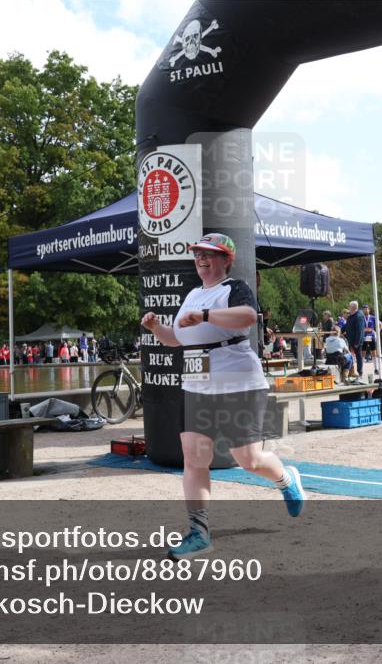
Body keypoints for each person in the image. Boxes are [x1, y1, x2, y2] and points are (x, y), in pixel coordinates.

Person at [140, 232, 304, 560]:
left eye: (209, 254)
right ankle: (198, 533)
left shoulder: (234, 288)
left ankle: (286, 479)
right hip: (197, 383)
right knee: (194, 457)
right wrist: (157, 328)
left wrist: (204, 316)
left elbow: (246, 317)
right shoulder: (191, 295)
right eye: (198, 254)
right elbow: (178, 339)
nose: (201, 259)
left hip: (238, 382)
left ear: (226, 260)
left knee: (249, 460)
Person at [344, 301, 365, 377]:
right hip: (350, 340)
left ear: (353, 307)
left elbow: (359, 330)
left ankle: (360, 372)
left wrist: (357, 342)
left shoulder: (358, 316)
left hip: (356, 341)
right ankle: (351, 371)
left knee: (358, 356)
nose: (348, 307)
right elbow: (346, 326)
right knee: (350, 356)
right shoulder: (351, 316)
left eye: (349, 306)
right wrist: (339, 329)